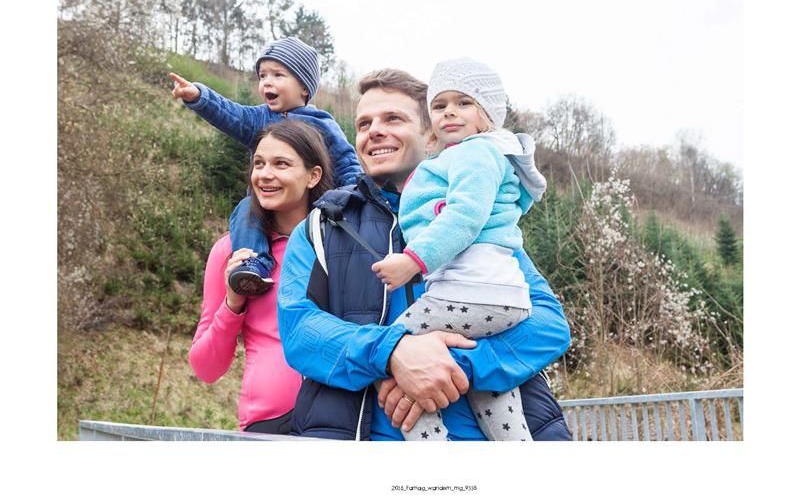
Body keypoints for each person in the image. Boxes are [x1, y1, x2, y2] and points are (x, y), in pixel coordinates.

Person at [277, 68, 572, 440]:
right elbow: (299, 330)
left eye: (393, 119)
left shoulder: (479, 219)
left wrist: (454, 364)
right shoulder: (324, 225)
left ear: (430, 134)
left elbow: (549, 325)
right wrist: (393, 353)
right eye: (364, 123)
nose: (374, 131)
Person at [370, 58, 548, 441]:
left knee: (392, 350)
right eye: (439, 105)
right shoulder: (479, 155)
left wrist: (412, 261)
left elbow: (465, 216)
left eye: (464, 103)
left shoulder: (476, 153)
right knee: (492, 389)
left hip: (470, 293)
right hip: (500, 297)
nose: (449, 112)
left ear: (488, 115)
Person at [170, 36, 361, 297]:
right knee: (246, 208)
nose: (267, 82)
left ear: (304, 88)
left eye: (278, 75)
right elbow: (230, 114)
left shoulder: (322, 124)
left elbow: (348, 164)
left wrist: (352, 200)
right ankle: (254, 264)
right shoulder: (260, 118)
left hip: (313, 207)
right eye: (262, 76)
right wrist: (199, 97)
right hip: (265, 208)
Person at [189, 120, 334, 434]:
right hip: (267, 423)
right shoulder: (232, 251)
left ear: (313, 176)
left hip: (340, 417)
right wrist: (233, 303)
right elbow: (205, 368)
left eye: (281, 164)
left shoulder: (340, 245)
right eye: (259, 163)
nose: (265, 174)